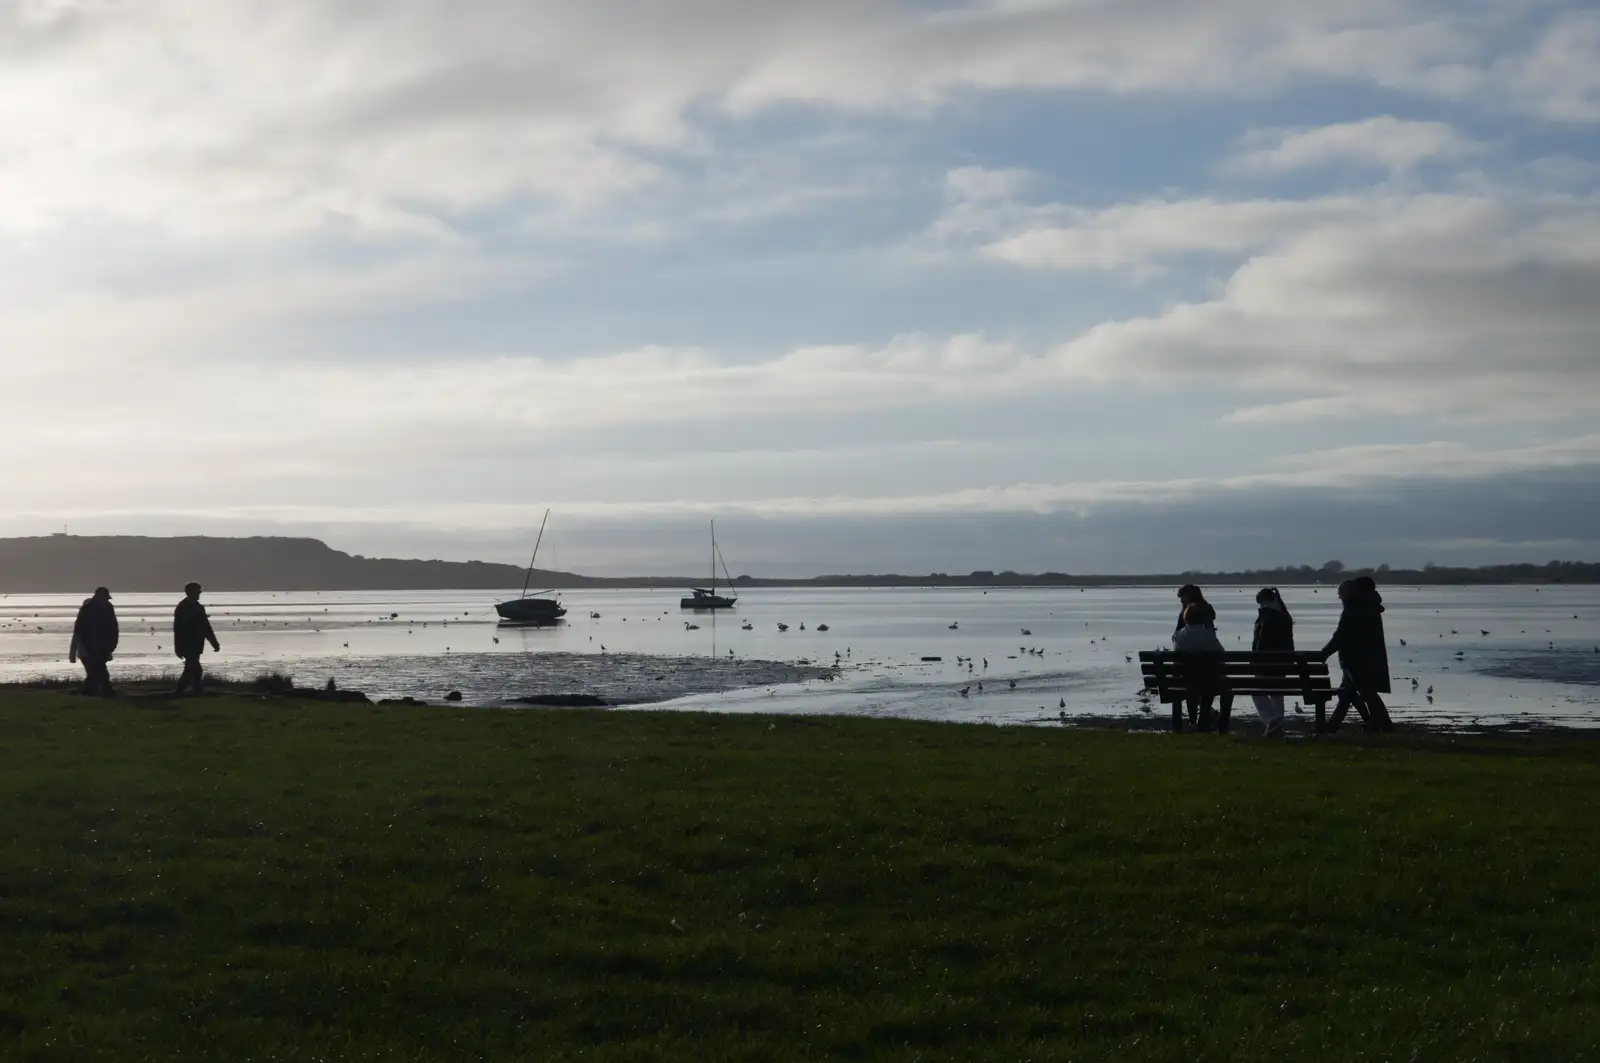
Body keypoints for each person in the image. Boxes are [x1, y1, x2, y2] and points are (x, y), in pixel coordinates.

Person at [1321, 575, 1394, 732]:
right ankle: (1336, 725)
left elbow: (1341, 635)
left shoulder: (1355, 607)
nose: (1339, 596)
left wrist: (1324, 653)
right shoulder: (1368, 605)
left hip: (1355, 658)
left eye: (1340, 592)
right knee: (1348, 693)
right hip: (1367, 656)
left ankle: (1380, 723)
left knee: (1364, 692)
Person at [1172, 585, 1232, 733]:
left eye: (1182, 598)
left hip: (1187, 676)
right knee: (1210, 686)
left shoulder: (1181, 630)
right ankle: (1206, 720)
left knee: (1191, 685)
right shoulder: (1207, 626)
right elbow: (1220, 653)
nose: (1181, 602)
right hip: (1209, 674)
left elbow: (1177, 649)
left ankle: (1194, 721)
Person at [1250, 587, 1293, 736]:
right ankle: (1277, 722)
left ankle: (1271, 720)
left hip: (1266, 664)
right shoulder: (1284, 615)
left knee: (1256, 691)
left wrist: (1255, 661)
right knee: (1277, 693)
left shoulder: (1267, 617)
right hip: (1283, 665)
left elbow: (1261, 643)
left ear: (1263, 602)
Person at [68, 586, 119, 697]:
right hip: (89, 648)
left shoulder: (108, 608)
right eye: (104, 598)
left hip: (103, 647)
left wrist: (111, 645)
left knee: (95, 673)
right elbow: (79, 631)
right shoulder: (87, 610)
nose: (105, 601)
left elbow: (113, 628)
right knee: (98, 672)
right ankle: (106, 693)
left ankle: (88, 693)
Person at [173, 582, 221, 695]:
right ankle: (184, 690)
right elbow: (178, 629)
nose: (199, 593)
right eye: (198, 591)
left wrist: (214, 642)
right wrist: (178, 646)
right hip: (188, 643)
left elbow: (206, 627)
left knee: (192, 669)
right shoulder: (183, 607)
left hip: (196, 643)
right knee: (194, 669)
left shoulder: (198, 607)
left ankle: (192, 690)